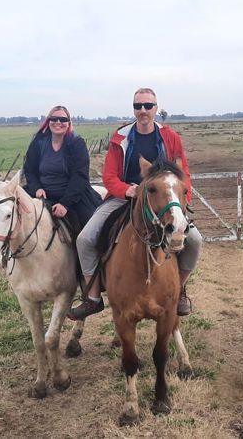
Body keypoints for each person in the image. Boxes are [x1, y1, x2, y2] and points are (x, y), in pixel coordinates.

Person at [67, 88, 201, 320]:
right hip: (125, 197)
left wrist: (181, 199)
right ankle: (93, 297)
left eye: (148, 106)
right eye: (138, 106)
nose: (143, 110)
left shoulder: (170, 137)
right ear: (134, 109)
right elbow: (109, 176)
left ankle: (179, 290)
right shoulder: (121, 137)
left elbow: (183, 173)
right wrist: (127, 190)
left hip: (162, 200)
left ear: (156, 109)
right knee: (85, 239)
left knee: (195, 240)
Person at [21, 105, 101, 234]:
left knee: (91, 234)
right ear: (48, 121)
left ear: (68, 123)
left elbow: (80, 176)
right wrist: (36, 188)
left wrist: (65, 204)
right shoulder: (39, 142)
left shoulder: (76, 144)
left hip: (72, 197)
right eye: (54, 118)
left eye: (63, 119)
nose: (58, 122)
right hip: (44, 194)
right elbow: (30, 169)